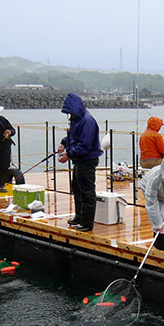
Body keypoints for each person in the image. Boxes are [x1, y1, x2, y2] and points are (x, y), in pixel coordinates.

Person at [57, 93, 103, 232]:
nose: (69, 114)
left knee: (87, 192)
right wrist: (64, 143)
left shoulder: (87, 121)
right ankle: (79, 216)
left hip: (87, 160)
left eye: (70, 111)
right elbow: (73, 135)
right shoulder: (76, 119)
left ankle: (87, 223)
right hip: (78, 160)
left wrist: (68, 155)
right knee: (77, 188)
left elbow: (84, 145)